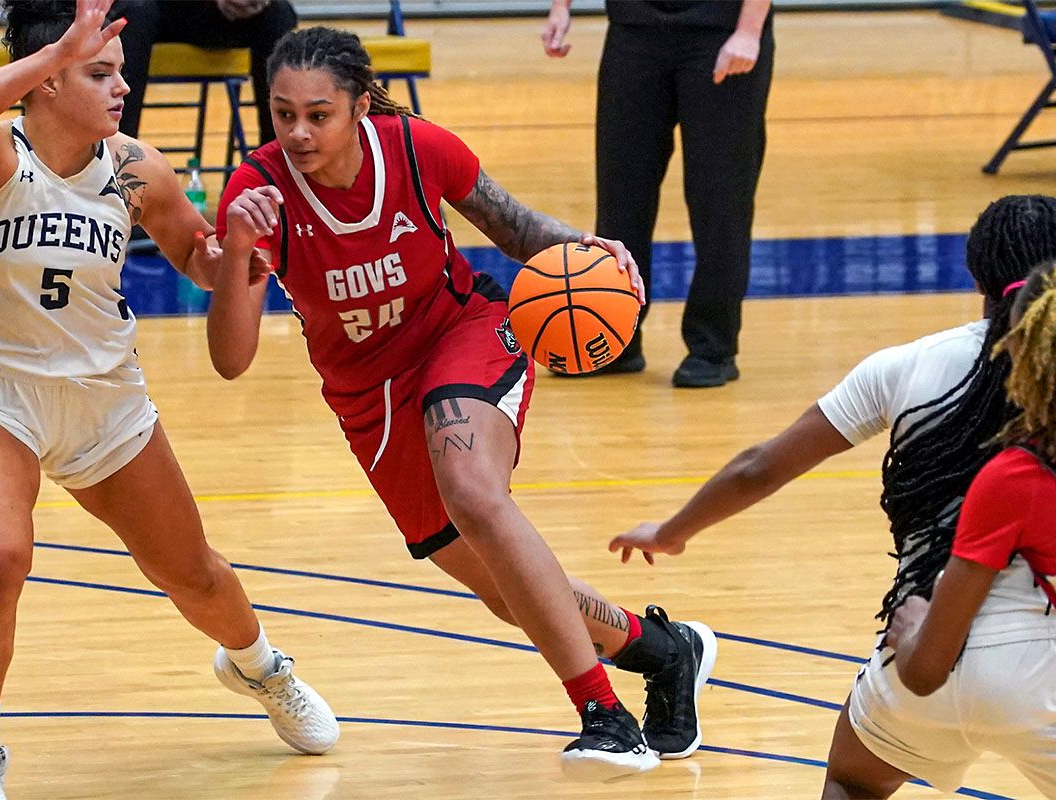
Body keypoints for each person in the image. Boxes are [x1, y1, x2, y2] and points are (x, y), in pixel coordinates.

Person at [208, 26, 718, 778]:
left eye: (318, 114)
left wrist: (591, 250)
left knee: (477, 497)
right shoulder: (258, 195)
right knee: (506, 592)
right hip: (367, 396)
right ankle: (665, 652)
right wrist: (238, 258)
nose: (298, 132)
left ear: (358, 106)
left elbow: (516, 230)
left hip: (463, 332)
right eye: (283, 114)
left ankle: (603, 715)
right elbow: (230, 359)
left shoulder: (417, 148)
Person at [0, 3, 336, 797]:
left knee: (194, 575)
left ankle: (260, 668)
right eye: (99, 71)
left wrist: (238, 244)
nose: (124, 84)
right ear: (45, 82)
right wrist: (50, 53)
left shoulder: (137, 167)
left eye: (118, 69)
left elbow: (201, 261)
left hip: (105, 398)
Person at [605, 194, 1056, 797]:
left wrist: (673, 531)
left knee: (854, 780)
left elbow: (760, 468)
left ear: (973, 274)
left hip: (920, 647)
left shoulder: (907, 366)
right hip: (1044, 668)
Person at [882, 261, 1056, 798]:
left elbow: (927, 671)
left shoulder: (1015, 479)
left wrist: (914, 625)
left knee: (854, 772)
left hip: (1022, 687)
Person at [542, 0, 773, 386]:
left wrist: (749, 30)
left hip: (720, 30)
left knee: (720, 200)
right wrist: (561, 7)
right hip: (634, 28)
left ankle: (713, 346)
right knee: (621, 194)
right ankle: (617, 339)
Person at [110, 0, 296, 146]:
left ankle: (277, 165)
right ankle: (118, 155)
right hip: (160, 13)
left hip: (228, 18)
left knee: (279, 15)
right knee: (135, 11)